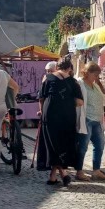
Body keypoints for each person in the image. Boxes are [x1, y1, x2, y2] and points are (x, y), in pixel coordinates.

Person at [37, 57, 83, 186]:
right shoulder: (73, 82)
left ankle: (58, 174)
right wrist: (66, 101)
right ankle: (59, 174)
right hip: (67, 116)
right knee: (63, 144)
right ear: (70, 68)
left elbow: (41, 98)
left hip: (50, 115)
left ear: (57, 67)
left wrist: (41, 112)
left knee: (52, 144)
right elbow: (80, 102)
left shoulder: (48, 78)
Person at [75, 62, 105, 182]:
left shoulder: (96, 86)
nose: (97, 77)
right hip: (86, 119)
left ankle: (96, 171)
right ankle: (79, 171)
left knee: (100, 144)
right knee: (83, 146)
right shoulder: (79, 83)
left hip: (97, 120)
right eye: (95, 74)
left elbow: (103, 99)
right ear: (87, 73)